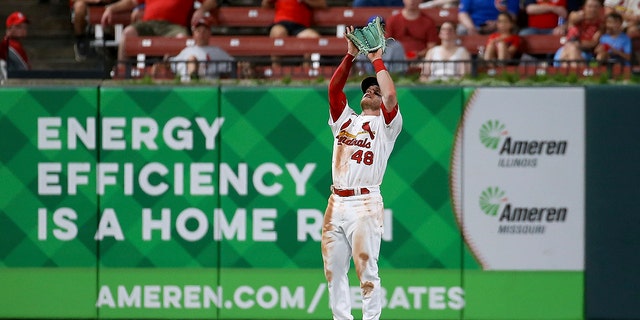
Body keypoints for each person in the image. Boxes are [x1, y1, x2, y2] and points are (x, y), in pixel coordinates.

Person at [321, 25, 402, 320]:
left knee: (366, 270)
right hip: (336, 201)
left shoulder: (387, 125)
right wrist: (350, 56)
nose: (371, 91)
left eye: (375, 90)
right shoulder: (346, 121)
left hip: (365, 202)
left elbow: (391, 97)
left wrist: (377, 60)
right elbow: (333, 90)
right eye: (368, 89)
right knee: (333, 272)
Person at [101, 0, 218, 72]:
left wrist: (201, 10)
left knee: (181, 38)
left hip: (173, 26)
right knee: (127, 33)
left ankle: (170, 73)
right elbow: (132, 2)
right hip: (149, 24)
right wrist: (111, 8)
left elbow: (211, 1)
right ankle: (122, 72)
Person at [261, 0, 327, 67]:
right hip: (282, 23)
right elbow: (265, 5)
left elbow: (323, 4)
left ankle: (305, 70)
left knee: (313, 37)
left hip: (300, 26)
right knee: (277, 32)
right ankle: (275, 69)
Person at [168, 18, 235, 80]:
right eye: (198, 31)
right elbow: (172, 65)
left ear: (209, 33)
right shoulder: (187, 51)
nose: (201, 34)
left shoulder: (217, 51)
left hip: (209, 84)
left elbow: (232, 64)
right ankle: (194, 78)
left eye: (204, 31)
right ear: (194, 34)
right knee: (192, 58)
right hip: (188, 85)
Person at [553, 0, 604, 67]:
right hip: (565, 50)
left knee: (570, 54)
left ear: (600, 9)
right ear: (584, 7)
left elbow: (593, 43)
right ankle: (576, 75)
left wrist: (577, 44)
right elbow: (573, 18)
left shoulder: (600, 25)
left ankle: (570, 75)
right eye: (590, 6)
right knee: (571, 49)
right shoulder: (576, 17)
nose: (592, 9)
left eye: (595, 7)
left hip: (584, 53)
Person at [1, 11, 30, 77]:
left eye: (25, 27)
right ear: (9, 29)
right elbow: (25, 71)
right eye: (18, 27)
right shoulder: (12, 45)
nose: (23, 30)